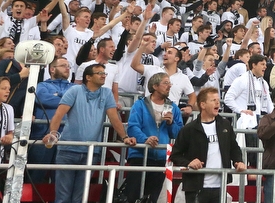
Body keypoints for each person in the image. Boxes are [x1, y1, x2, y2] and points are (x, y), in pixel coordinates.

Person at [43, 64, 136, 203]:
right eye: (99, 73)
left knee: (80, 198)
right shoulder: (74, 90)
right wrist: (53, 134)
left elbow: (114, 118)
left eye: (104, 73)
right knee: (63, 197)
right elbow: (58, 115)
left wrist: (125, 137)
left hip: (92, 152)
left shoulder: (106, 93)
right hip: (68, 150)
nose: (104, 75)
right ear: (88, 77)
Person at [170, 87, 247, 203]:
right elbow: (175, 155)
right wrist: (189, 163)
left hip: (220, 187)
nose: (218, 102)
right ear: (203, 105)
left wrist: (238, 161)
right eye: (213, 100)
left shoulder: (225, 125)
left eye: (218, 99)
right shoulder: (189, 129)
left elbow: (234, 148)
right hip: (195, 188)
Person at [125, 73, 185, 203]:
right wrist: (145, 139)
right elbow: (133, 127)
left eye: (169, 83)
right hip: (140, 156)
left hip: (161, 159)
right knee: (133, 196)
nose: (169, 86)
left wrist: (171, 124)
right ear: (155, 86)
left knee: (154, 198)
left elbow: (179, 134)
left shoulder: (174, 108)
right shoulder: (139, 105)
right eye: (165, 83)